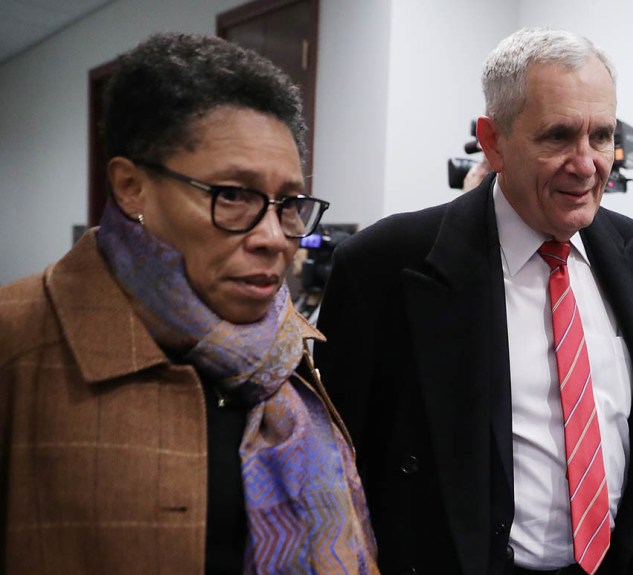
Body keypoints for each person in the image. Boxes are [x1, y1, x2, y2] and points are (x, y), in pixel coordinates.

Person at [0, 33, 377, 575]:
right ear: (132, 187)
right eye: (232, 195)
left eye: (289, 204)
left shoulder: (287, 350)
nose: (274, 235)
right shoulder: (20, 342)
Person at [315, 27, 633, 575]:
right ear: (493, 141)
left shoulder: (629, 246)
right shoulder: (385, 266)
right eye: (558, 136)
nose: (586, 164)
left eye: (601, 136)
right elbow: (339, 469)